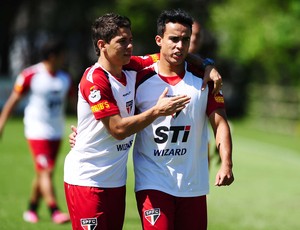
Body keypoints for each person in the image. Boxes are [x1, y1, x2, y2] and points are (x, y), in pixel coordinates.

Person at [63, 13, 191, 230]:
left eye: (130, 39)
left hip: (116, 181)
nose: (130, 45)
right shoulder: (95, 80)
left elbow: (168, 55)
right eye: (122, 41)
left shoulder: (132, 67)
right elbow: (118, 129)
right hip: (87, 180)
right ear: (102, 45)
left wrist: (208, 66)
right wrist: (157, 111)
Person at [133, 9, 234, 230]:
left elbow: (220, 123)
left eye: (185, 40)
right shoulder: (139, 77)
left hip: (193, 184)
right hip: (152, 181)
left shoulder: (204, 80)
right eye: (174, 39)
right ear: (159, 40)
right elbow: (117, 112)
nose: (180, 45)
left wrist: (226, 162)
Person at [0, 38, 72, 224]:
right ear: (53, 56)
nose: (65, 58)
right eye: (63, 55)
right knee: (45, 171)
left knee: (43, 173)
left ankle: (31, 208)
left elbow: (75, 103)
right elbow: (12, 101)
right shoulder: (31, 75)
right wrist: (1, 123)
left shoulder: (65, 78)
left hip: (56, 132)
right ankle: (55, 210)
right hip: (36, 130)